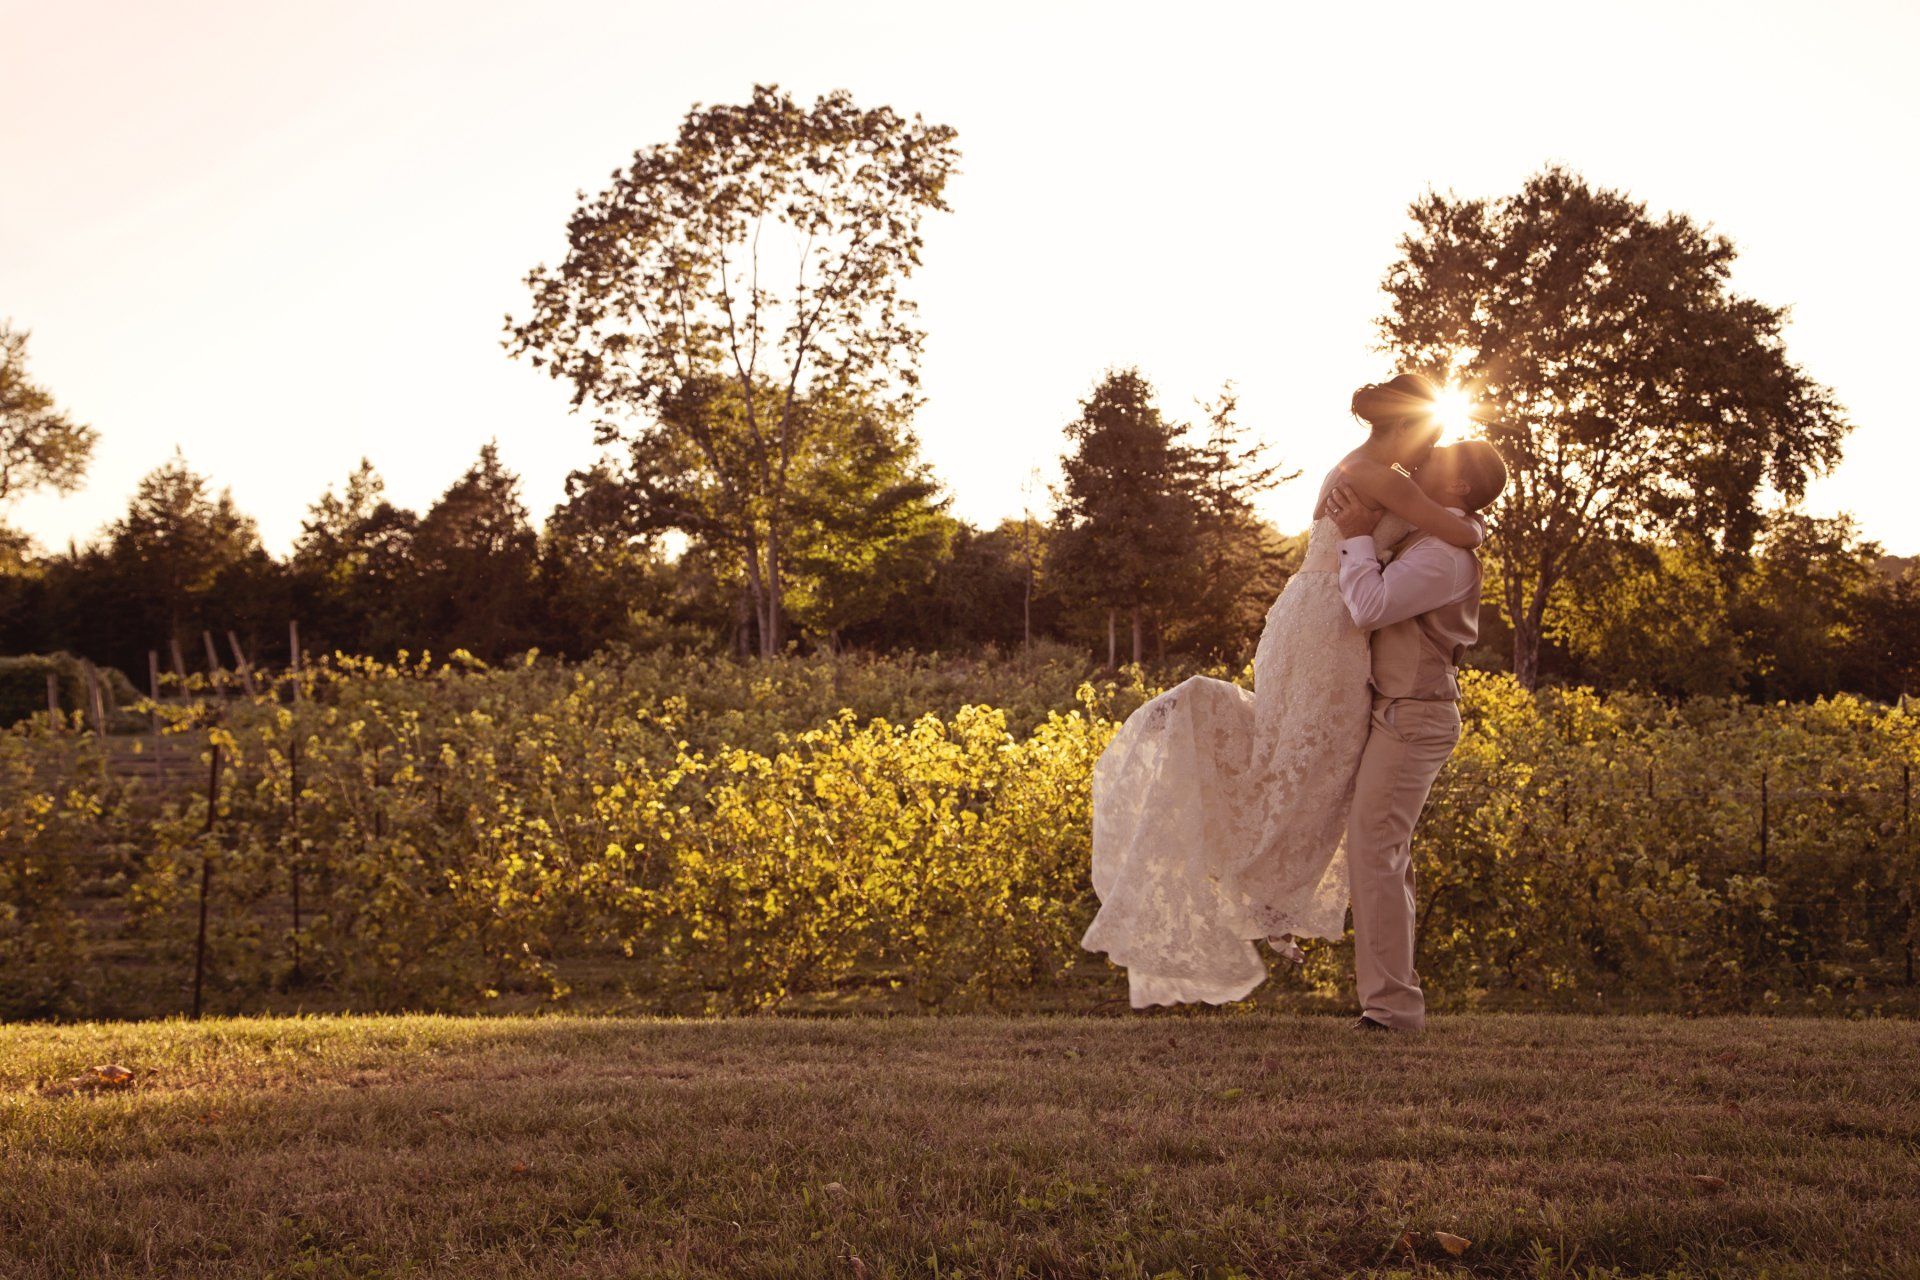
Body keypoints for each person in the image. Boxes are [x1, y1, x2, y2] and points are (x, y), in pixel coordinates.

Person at [1082, 373, 1484, 1008]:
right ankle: (1267, 889)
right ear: (1406, 426)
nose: (1429, 452)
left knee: (1300, 754)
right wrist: (1472, 527)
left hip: (1314, 615)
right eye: (1428, 437)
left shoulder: (1366, 468)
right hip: (1330, 623)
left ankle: (1268, 886)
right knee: (1312, 759)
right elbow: (1464, 533)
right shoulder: (1377, 475)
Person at [1325, 437, 1509, 1031]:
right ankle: (1392, 1002)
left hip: (1414, 715)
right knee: (1381, 852)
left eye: (1439, 457)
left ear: (1458, 486)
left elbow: (1369, 606)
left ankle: (1391, 1010)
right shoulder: (1434, 536)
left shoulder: (1444, 556)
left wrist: (1356, 537)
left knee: (1375, 851)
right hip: (1395, 709)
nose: (1423, 458)